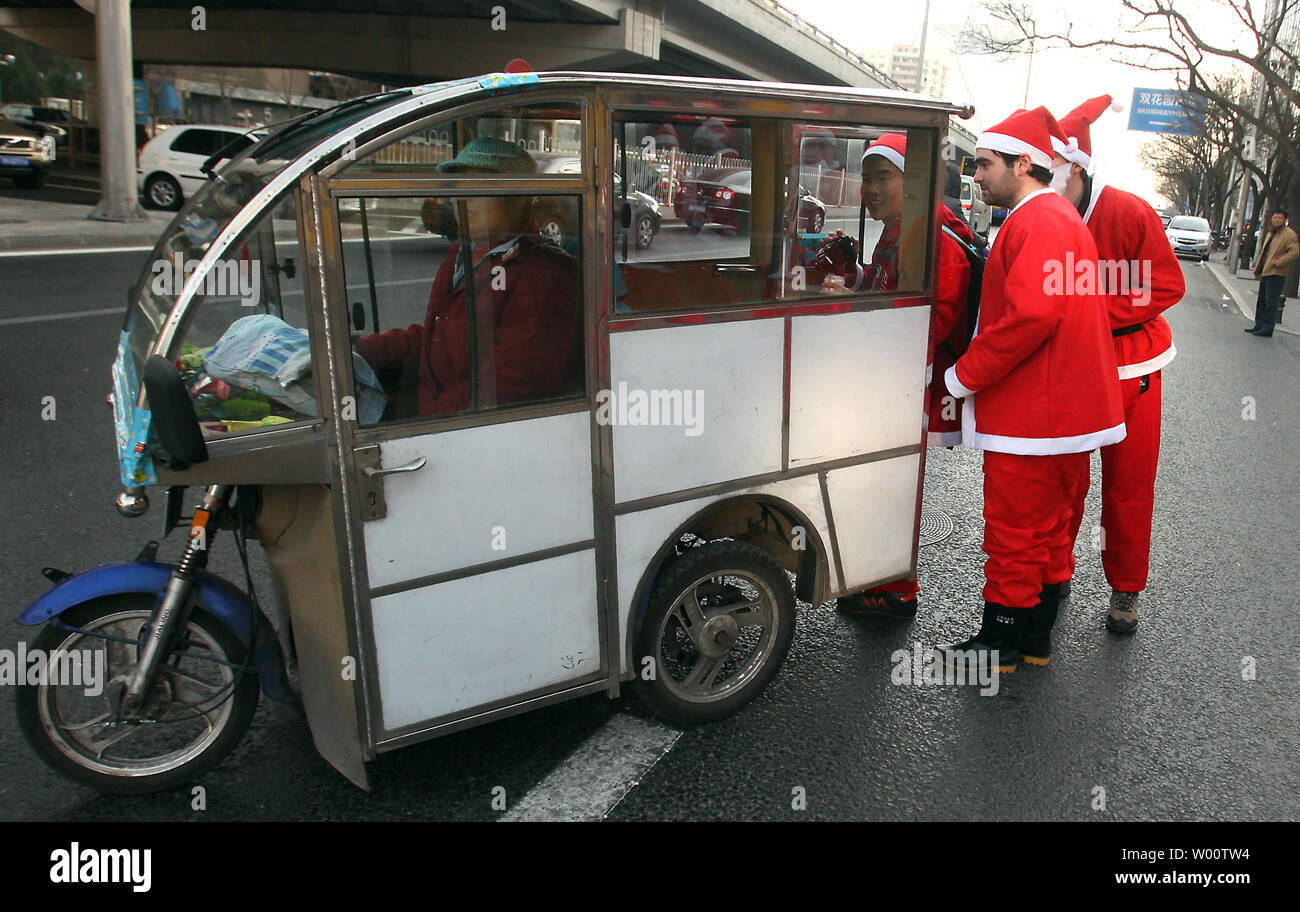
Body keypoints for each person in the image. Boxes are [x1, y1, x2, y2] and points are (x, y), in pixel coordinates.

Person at [935, 107, 1125, 673]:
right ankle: (1034, 639)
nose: (976, 175)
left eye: (985, 164)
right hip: (1065, 413)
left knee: (1012, 531)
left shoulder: (1035, 221)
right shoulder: (1062, 218)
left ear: (1023, 163)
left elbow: (1029, 318)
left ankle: (998, 647)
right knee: (1046, 528)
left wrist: (961, 376)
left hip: (1034, 415)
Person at [813, 133, 977, 618]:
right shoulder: (902, 230)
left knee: (896, 482)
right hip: (886, 379)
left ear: (913, 182)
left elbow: (930, 321)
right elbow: (890, 291)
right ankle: (880, 574)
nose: (871, 189)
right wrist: (855, 280)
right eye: (867, 178)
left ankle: (899, 588)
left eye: (884, 177)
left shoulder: (933, 239)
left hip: (905, 385)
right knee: (880, 480)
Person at [1048, 95, 1186, 642]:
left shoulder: (1130, 211)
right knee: (1062, 479)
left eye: (1052, 171)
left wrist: (1091, 308)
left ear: (1078, 168)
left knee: (1128, 486)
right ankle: (1055, 572)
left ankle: (1126, 586)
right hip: (1074, 369)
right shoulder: (1042, 214)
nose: (1044, 182)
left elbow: (1169, 284)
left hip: (1135, 367)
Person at [355, 137, 581, 419]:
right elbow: (440, 339)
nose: (462, 199)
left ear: (517, 197)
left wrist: (425, 423)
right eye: (459, 188)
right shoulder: (462, 252)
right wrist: (358, 349)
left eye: (478, 188)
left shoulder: (544, 277)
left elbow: (508, 389)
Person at [1248, 209, 1298, 337]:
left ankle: (1268, 327)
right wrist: (1258, 268)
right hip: (1266, 270)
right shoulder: (1272, 233)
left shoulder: (1289, 235)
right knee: (1262, 301)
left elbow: (1294, 253)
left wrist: (1279, 262)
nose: (1277, 220)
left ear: (1285, 220)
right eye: (1275, 217)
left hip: (1276, 272)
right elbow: (1265, 253)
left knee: (1271, 301)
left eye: (1280, 218)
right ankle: (1258, 324)